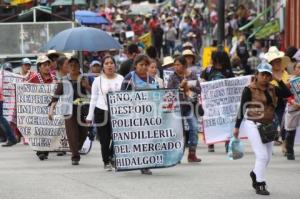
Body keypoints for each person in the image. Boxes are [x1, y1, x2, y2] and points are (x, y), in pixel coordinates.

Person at [233, 62, 292, 195]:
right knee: (262, 156)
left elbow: (287, 94)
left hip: (268, 126)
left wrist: (278, 79)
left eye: (268, 75)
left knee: (268, 157)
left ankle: (255, 173)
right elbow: (242, 108)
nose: (265, 77)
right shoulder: (249, 89)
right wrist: (236, 127)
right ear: (257, 75)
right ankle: (260, 183)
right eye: (262, 74)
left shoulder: (272, 88)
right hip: (253, 124)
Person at [121, 54, 158, 175]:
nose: (143, 67)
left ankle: (145, 164)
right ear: (135, 65)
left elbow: (157, 96)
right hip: (134, 116)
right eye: (140, 65)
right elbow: (121, 95)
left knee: (148, 140)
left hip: (149, 116)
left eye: (145, 65)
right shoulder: (129, 77)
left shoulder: (152, 79)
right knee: (137, 140)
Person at [48, 57, 89, 166]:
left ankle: (77, 148)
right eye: (71, 65)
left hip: (83, 109)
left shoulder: (84, 79)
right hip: (69, 111)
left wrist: (87, 86)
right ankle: (75, 156)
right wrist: (51, 110)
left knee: (84, 132)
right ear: (68, 68)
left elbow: (93, 92)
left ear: (79, 67)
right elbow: (56, 96)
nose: (73, 67)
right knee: (72, 134)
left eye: (76, 65)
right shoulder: (64, 80)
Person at [86, 56, 124, 171]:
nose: (109, 65)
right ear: (103, 66)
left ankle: (112, 156)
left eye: (111, 63)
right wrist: (89, 116)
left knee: (117, 137)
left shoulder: (121, 78)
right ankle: (106, 161)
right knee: (104, 139)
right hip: (101, 111)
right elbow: (93, 99)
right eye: (106, 63)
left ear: (115, 65)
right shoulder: (98, 80)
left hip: (118, 112)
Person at [167, 56, 202, 163]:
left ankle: (192, 153)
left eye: (178, 65)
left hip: (189, 106)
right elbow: (169, 91)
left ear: (184, 65)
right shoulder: (173, 77)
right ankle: (177, 155)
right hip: (177, 108)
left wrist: (190, 87)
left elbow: (199, 90)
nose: (176, 67)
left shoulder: (192, 75)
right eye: (175, 65)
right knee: (178, 132)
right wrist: (180, 86)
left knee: (195, 127)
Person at [201, 51, 234, 152]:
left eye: (220, 61)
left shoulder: (228, 71)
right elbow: (202, 80)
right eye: (216, 61)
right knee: (211, 122)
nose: (218, 63)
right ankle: (211, 142)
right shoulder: (208, 70)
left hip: (225, 102)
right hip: (211, 102)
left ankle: (227, 143)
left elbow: (233, 83)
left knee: (227, 122)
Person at [28, 55, 56, 159]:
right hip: (37, 109)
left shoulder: (54, 78)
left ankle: (46, 150)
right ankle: (41, 151)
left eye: (48, 64)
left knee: (49, 130)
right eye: (44, 65)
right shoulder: (33, 79)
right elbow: (25, 90)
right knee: (39, 130)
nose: (47, 67)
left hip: (50, 108)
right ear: (39, 67)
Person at [264, 46, 291, 146]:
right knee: (270, 122)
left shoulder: (285, 73)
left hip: (282, 101)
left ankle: (284, 142)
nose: (278, 63)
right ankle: (271, 140)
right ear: (271, 63)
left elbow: (287, 86)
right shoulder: (267, 74)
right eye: (275, 62)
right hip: (270, 101)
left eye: (279, 61)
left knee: (283, 121)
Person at [284, 61, 300, 160]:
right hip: (293, 108)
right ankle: (289, 152)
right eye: (299, 67)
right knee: (290, 130)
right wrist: (292, 102)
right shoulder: (291, 81)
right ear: (295, 70)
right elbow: (286, 94)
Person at [1, 63, 17, 147]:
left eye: (9, 70)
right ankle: (10, 138)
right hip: (4, 101)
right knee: (3, 120)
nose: (8, 72)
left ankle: (12, 138)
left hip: (11, 104)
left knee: (5, 120)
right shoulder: (2, 78)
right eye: (6, 70)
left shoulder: (13, 79)